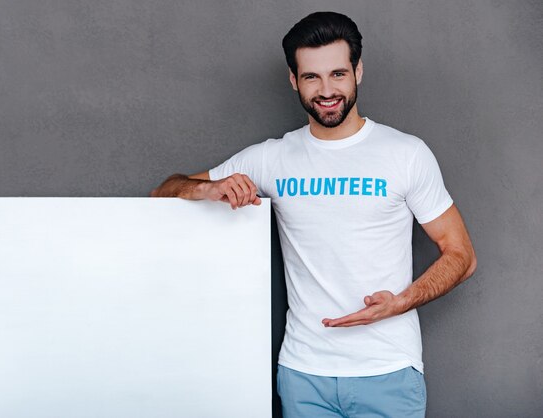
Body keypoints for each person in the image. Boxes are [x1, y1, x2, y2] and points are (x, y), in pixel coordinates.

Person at [151, 11, 476, 418]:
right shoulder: (272, 157)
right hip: (303, 375)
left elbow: (461, 255)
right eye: (311, 77)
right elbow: (164, 191)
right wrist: (206, 188)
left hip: (388, 372)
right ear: (294, 80)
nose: (327, 90)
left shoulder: (406, 154)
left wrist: (401, 302)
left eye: (338, 74)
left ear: (358, 71)